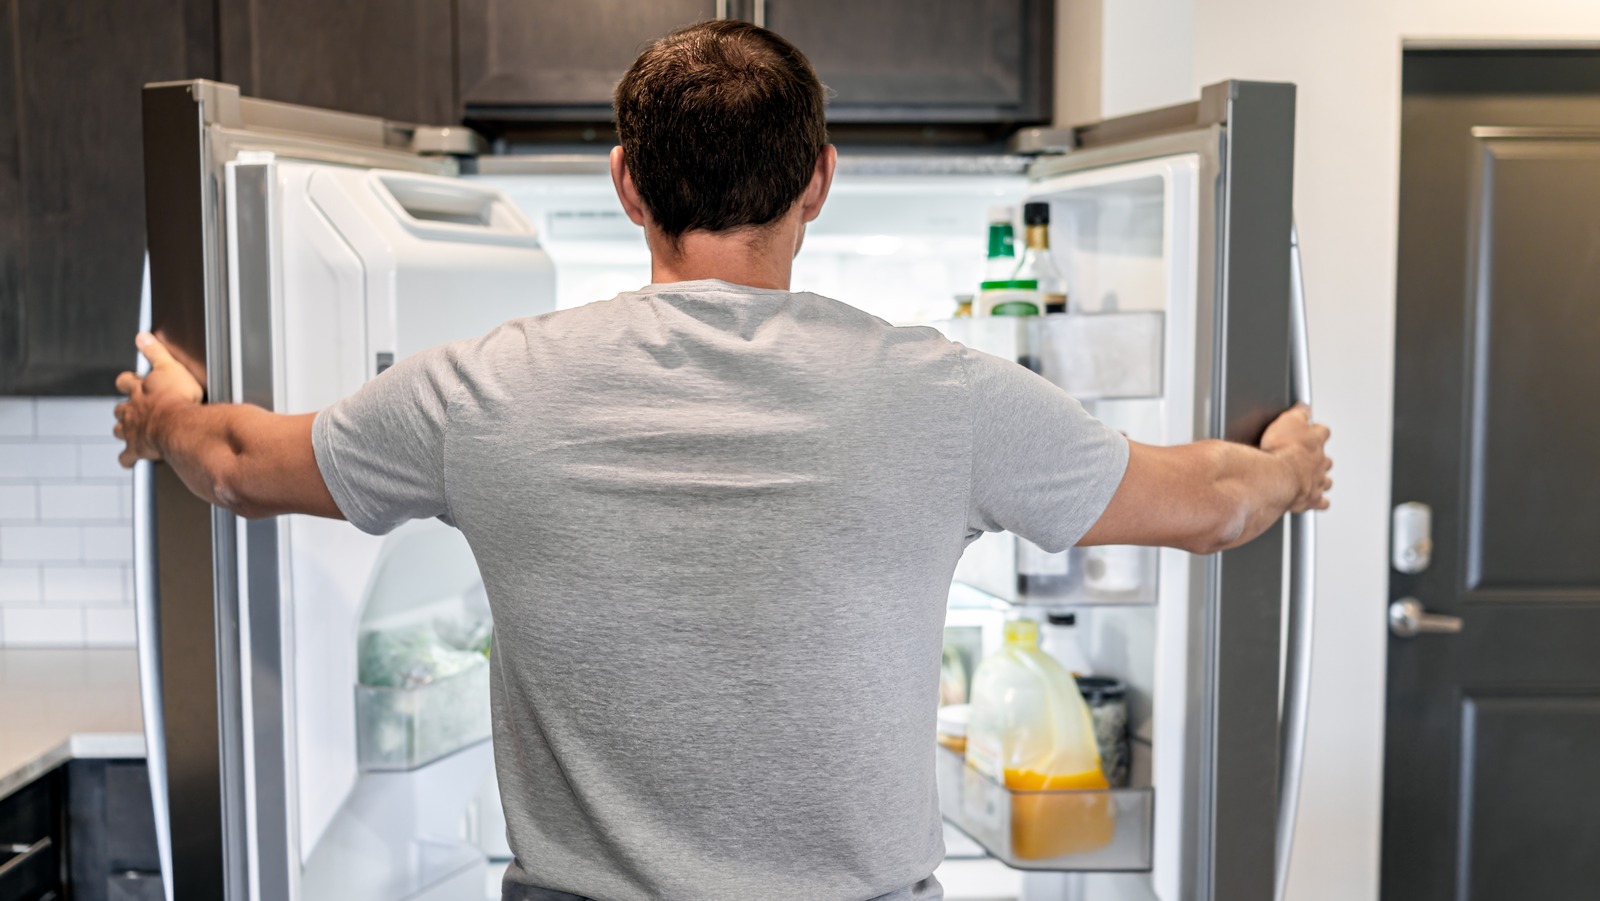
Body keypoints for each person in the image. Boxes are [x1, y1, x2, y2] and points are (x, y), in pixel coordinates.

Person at [114, 20, 1331, 901]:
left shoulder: (483, 386)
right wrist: (1286, 464)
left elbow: (233, 461)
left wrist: (164, 410)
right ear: (818, 182)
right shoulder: (947, 397)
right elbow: (1210, 504)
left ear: (628, 184)